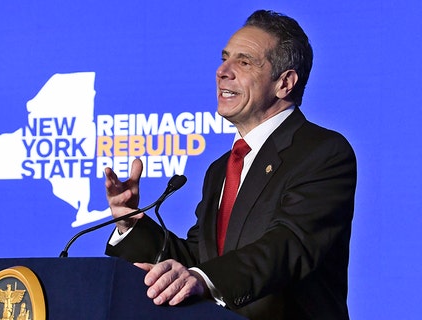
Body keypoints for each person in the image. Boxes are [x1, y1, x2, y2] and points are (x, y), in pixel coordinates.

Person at [104, 10, 356, 320]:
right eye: (224, 58)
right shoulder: (220, 169)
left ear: (285, 82)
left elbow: (289, 245)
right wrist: (129, 223)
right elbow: (198, 259)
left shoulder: (322, 152)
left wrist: (204, 279)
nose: (223, 71)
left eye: (245, 62)